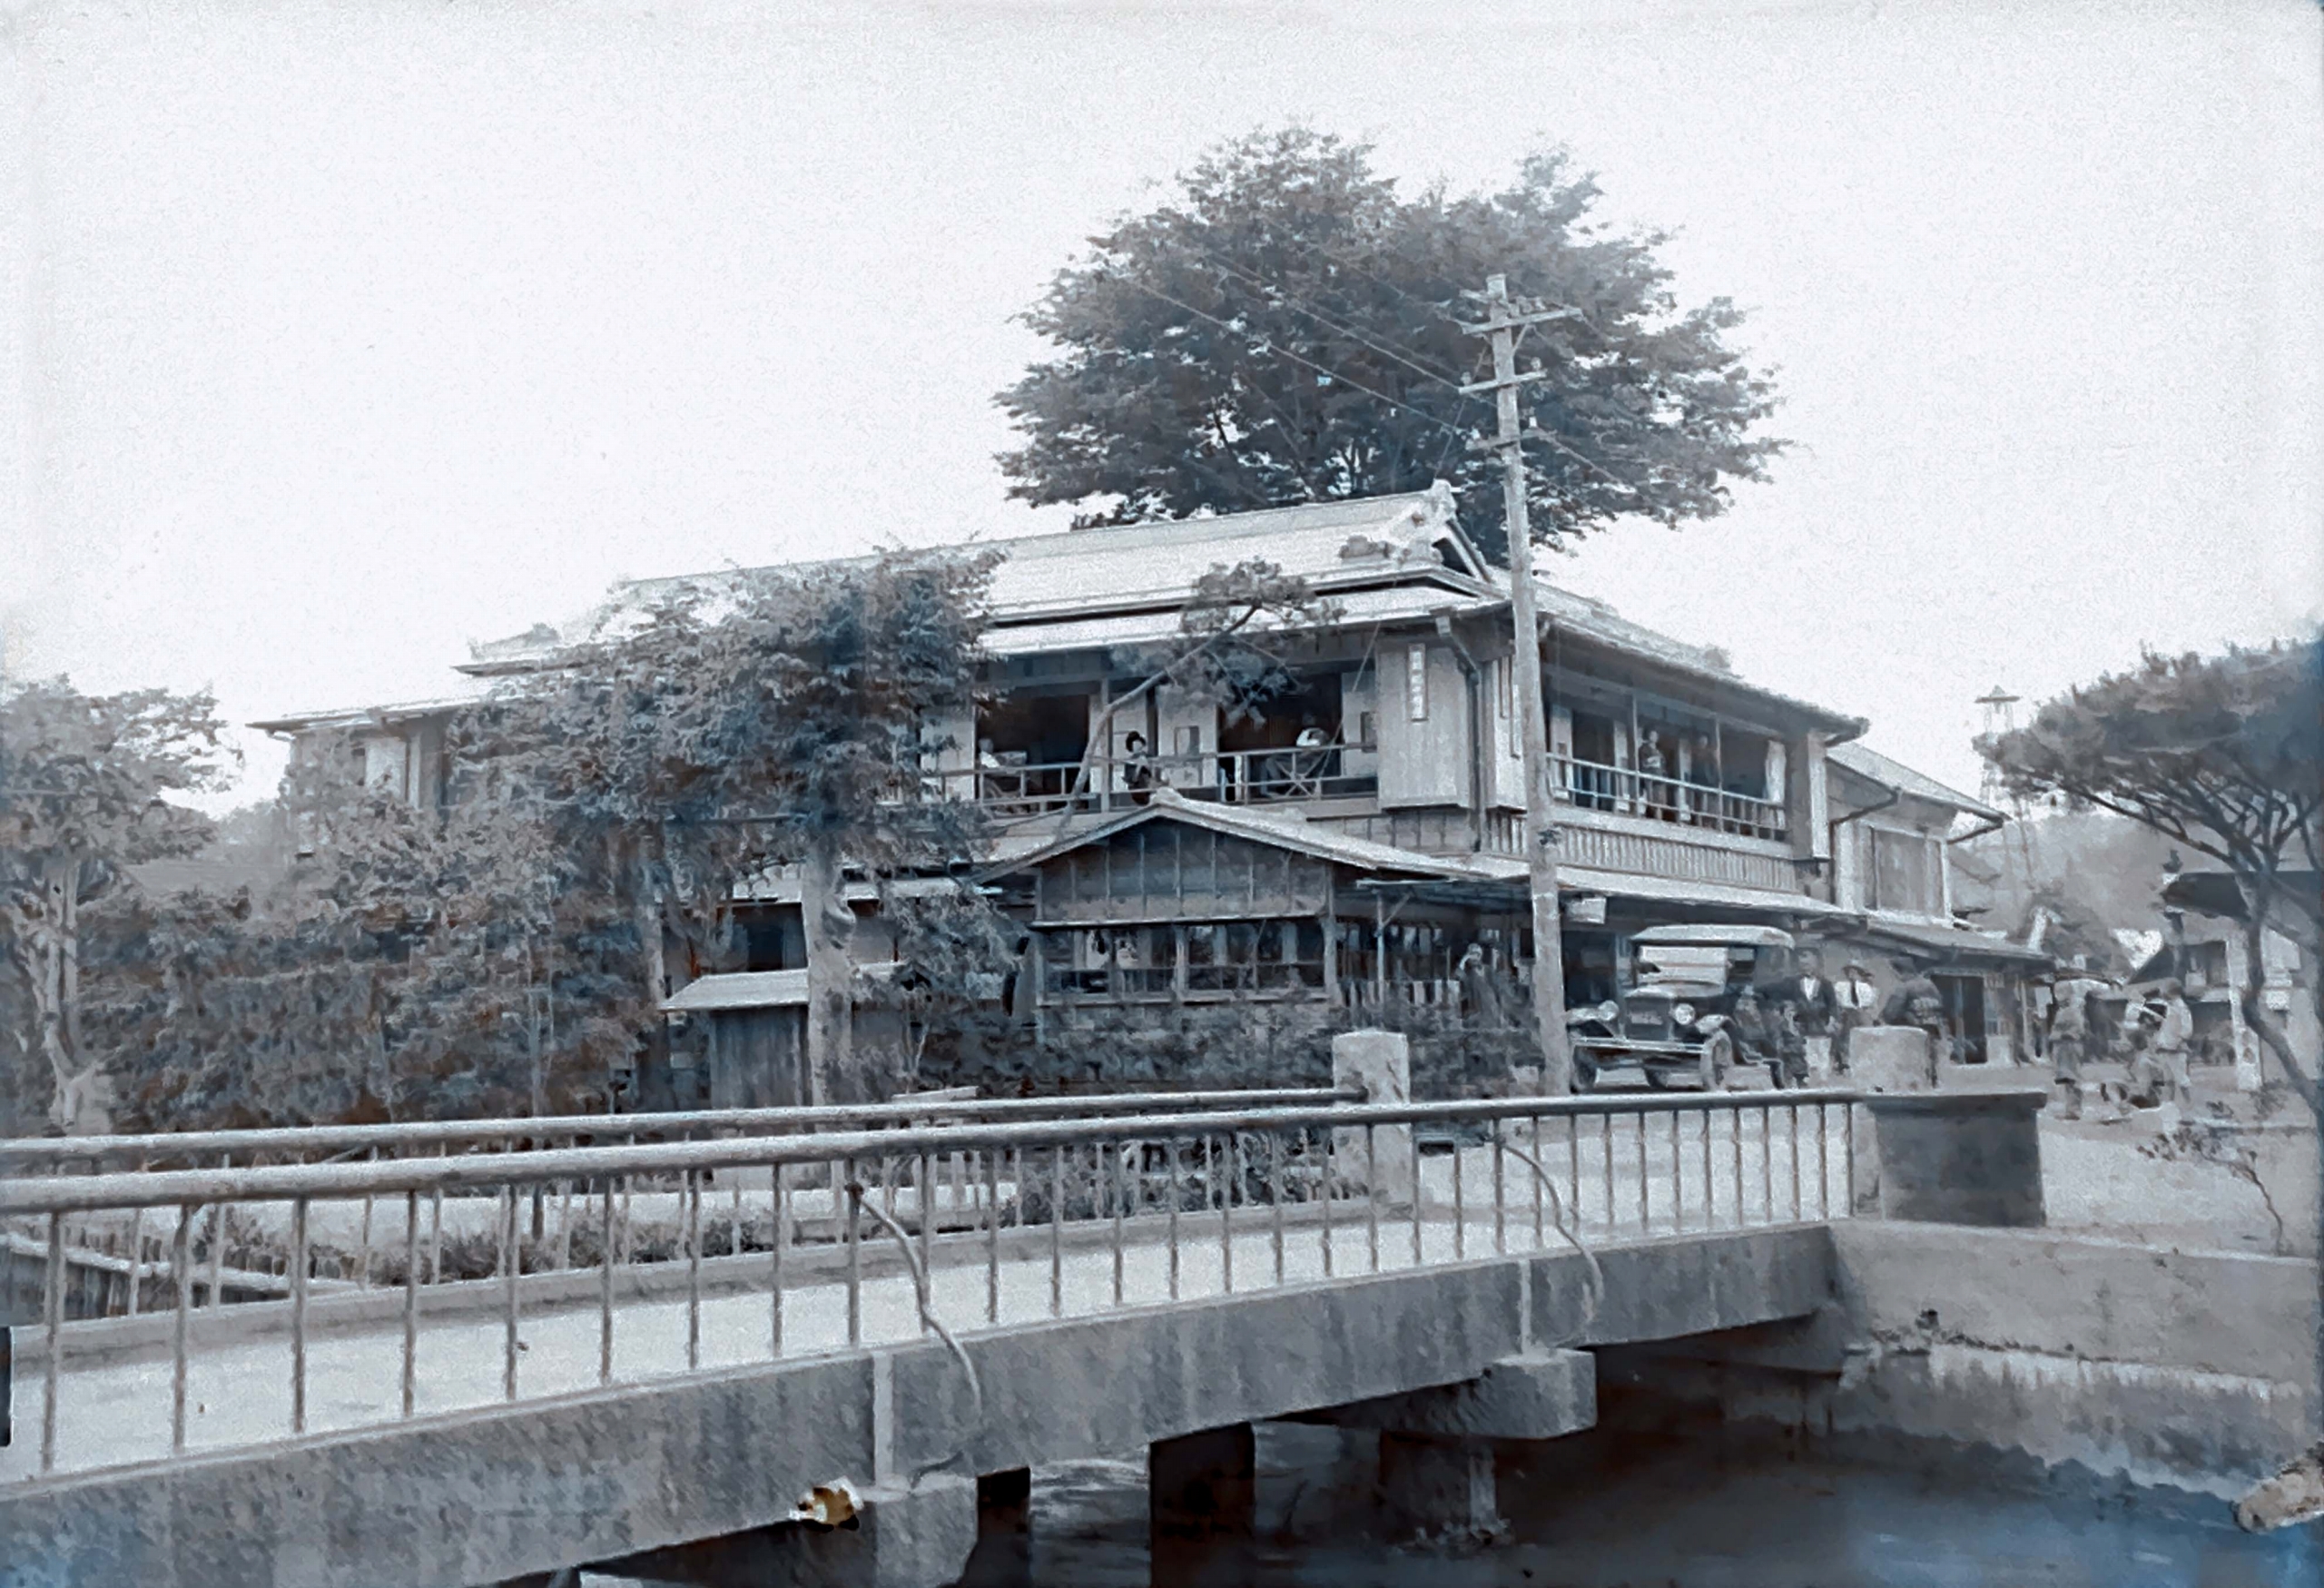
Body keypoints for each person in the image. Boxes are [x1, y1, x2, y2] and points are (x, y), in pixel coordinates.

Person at [1785, 948, 1839, 1079]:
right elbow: (1791, 1003)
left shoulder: (1825, 984)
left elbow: (1832, 1004)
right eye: (1802, 963)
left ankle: (1823, 1079)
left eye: (1807, 963)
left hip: (1821, 1024)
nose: (1804, 966)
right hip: (1804, 1024)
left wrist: (1831, 1022)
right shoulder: (1794, 983)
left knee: (1822, 1052)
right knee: (1808, 1053)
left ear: (1815, 963)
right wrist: (1791, 1022)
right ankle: (1810, 1077)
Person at [2046, 976, 2090, 1119]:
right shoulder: (2063, 1010)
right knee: (2066, 1080)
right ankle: (2070, 1109)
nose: (2057, 995)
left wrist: (2058, 1035)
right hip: (2063, 1049)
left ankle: (2074, 1110)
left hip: (2070, 1048)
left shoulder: (2073, 1010)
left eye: (2060, 992)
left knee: (2072, 1079)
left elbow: (2078, 1030)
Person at [2150, 979, 2195, 1105]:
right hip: (2165, 1046)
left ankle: (2188, 1103)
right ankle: (2169, 1104)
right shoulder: (2167, 1006)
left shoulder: (2181, 1007)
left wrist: (2180, 1041)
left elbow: (2187, 1028)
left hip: (2175, 1047)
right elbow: (2162, 1025)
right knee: (2168, 1079)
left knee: (2181, 1079)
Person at [1831, 960, 1878, 1073]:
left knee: (1865, 1035)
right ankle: (1844, 1062)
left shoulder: (1865, 987)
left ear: (1859, 974)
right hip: (1847, 1013)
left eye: (1854, 972)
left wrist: (1862, 1009)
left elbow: (1869, 1001)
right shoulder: (1841, 986)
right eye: (1849, 972)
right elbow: (1838, 999)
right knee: (1845, 1036)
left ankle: (1866, 1060)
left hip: (1862, 1012)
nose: (1851, 974)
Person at [1119, 732, 1157, 804]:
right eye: (1134, 746)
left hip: (1152, 789)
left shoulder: (1149, 757)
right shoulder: (1130, 762)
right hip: (1138, 792)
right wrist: (1139, 766)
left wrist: (1147, 766)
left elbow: (1156, 774)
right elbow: (1132, 780)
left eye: (1139, 746)